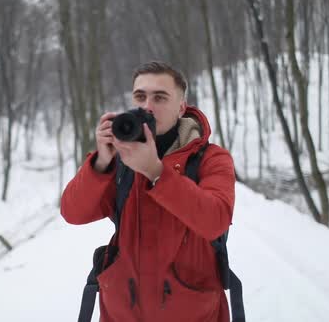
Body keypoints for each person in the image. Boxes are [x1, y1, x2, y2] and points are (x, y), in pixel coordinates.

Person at [61, 61, 236, 322]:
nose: (147, 106)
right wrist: (101, 162)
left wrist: (157, 172)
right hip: (122, 312)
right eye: (140, 96)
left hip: (194, 313)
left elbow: (215, 220)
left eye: (160, 97)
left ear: (181, 107)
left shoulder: (211, 158)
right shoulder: (120, 160)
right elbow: (73, 212)